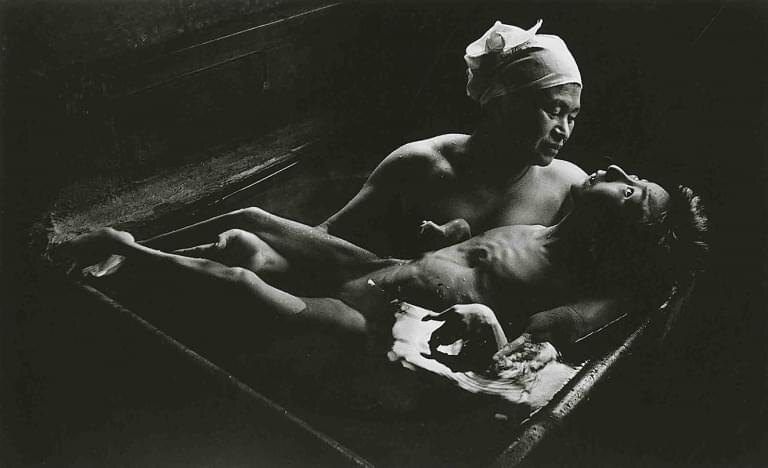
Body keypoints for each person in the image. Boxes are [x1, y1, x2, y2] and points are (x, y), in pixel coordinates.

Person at [61, 165, 708, 369]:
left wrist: (487, 322)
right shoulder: (540, 224)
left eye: (630, 191)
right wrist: (452, 234)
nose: (615, 171)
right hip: (383, 267)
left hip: (379, 324)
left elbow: (517, 360)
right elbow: (471, 248)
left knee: (243, 282)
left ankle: (127, 248)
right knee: (255, 217)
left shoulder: (574, 284)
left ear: (621, 233)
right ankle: (143, 252)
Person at [318, 20, 587, 257]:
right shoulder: (420, 163)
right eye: (554, 111)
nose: (563, 130)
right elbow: (328, 235)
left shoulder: (570, 188)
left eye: (572, 116)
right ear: (503, 104)